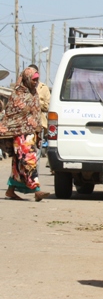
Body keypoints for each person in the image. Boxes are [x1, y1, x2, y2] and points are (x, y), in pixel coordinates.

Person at [3, 67, 49, 201]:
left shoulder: (34, 93)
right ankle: (37, 190)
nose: (35, 82)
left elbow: (36, 114)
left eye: (37, 80)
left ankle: (11, 190)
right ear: (27, 78)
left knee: (19, 164)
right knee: (29, 160)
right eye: (33, 80)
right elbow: (11, 112)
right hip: (20, 133)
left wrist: (38, 130)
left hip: (31, 133)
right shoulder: (17, 93)